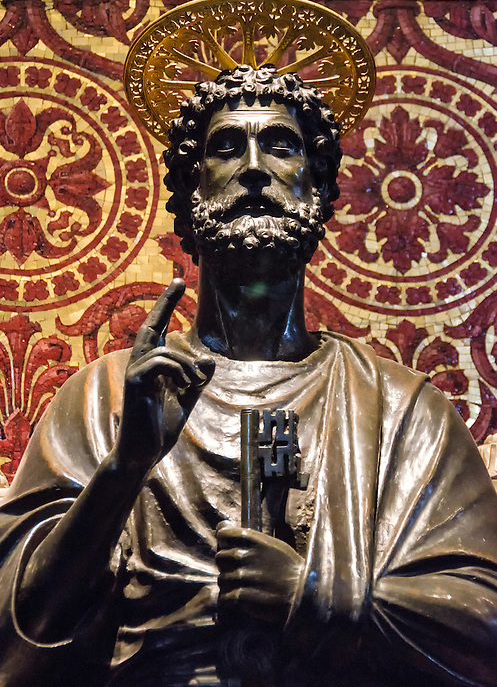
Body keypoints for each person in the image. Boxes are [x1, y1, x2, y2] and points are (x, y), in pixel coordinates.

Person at [0, 64, 496, 687]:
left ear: (316, 190)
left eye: (281, 145)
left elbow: (483, 628)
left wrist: (313, 595)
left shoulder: (400, 409)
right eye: (227, 146)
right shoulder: (106, 397)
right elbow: (20, 630)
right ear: (188, 190)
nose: (255, 167)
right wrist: (125, 468)